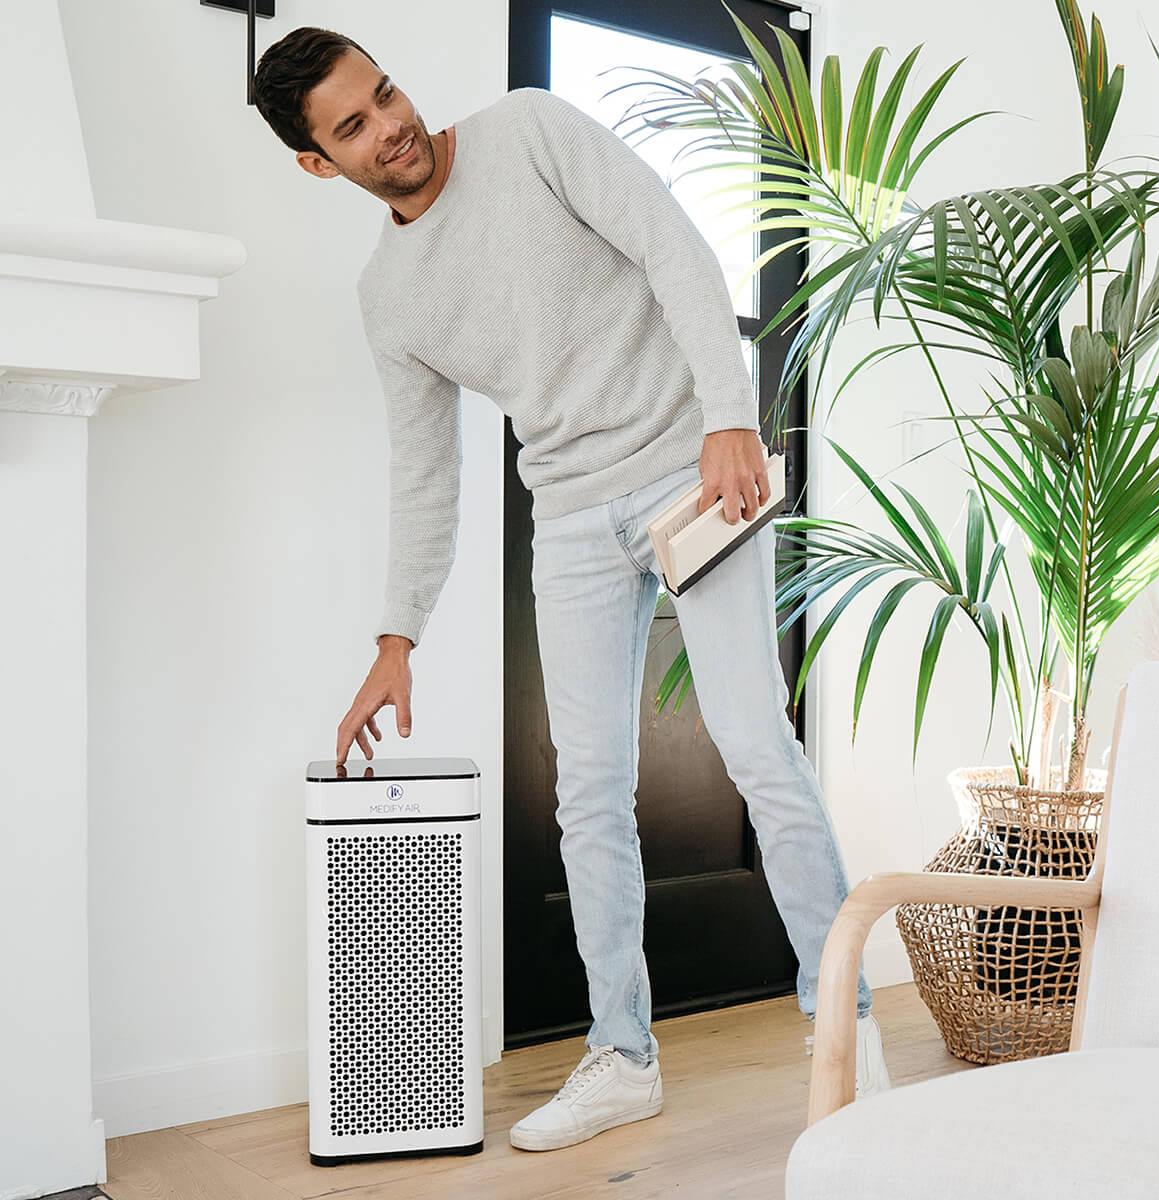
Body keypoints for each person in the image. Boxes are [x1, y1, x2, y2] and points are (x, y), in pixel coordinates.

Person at [252, 26, 890, 1153]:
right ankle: (621, 1055)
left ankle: (847, 1030)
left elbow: (675, 249)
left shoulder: (531, 131)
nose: (391, 125)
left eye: (385, 92)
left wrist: (729, 415)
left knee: (757, 746)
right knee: (588, 794)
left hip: (692, 476)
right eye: (352, 126)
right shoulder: (390, 297)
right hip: (570, 520)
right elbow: (426, 469)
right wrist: (396, 635)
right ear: (319, 165)